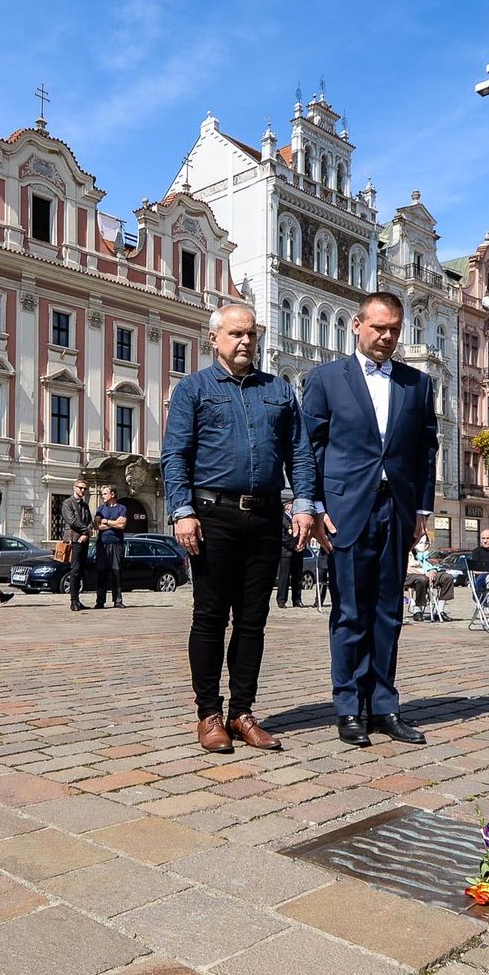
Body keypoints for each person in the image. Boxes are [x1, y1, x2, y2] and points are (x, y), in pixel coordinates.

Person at [164, 303, 316, 753]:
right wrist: (181, 511)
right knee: (210, 618)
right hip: (213, 516)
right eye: (235, 334)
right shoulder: (193, 389)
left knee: (253, 621)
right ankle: (208, 714)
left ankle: (242, 712)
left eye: (251, 334)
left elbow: (300, 453)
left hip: (267, 516)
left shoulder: (280, 391)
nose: (245, 341)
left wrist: (303, 505)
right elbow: (175, 456)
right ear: (214, 339)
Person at [301, 291, 438, 748]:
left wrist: (421, 509)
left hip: (396, 510)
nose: (386, 337)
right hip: (344, 511)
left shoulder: (416, 384)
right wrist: (315, 506)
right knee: (349, 613)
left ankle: (384, 706)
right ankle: (348, 708)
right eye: (378, 327)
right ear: (357, 325)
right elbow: (310, 447)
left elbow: (425, 450)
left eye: (394, 329)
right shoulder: (325, 379)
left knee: (388, 612)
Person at [59, 479, 93, 611]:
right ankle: (73, 601)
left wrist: (86, 534)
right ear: (74, 488)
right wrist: (85, 531)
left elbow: (90, 521)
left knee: (80, 570)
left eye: (84, 488)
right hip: (73, 540)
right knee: (74, 570)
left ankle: (78, 599)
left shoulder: (85, 505)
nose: (82, 490)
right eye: (80, 488)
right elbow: (72, 521)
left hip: (83, 540)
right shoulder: (67, 503)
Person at [93, 485, 128, 609]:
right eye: (102, 494)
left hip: (116, 543)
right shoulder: (100, 509)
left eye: (105, 493)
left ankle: (117, 600)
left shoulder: (121, 508)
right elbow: (96, 526)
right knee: (101, 572)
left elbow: (122, 525)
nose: (103, 496)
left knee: (116, 572)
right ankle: (100, 601)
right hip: (102, 543)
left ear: (112, 494)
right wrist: (114, 523)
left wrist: (106, 522)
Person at [276, 501, 307, 608]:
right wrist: (293, 546)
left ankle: (297, 599)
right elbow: (282, 537)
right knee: (284, 577)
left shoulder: (298, 518)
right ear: (288, 507)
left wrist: (302, 544)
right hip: (287, 552)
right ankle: (281, 600)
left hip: (299, 552)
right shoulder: (282, 518)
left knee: (297, 577)